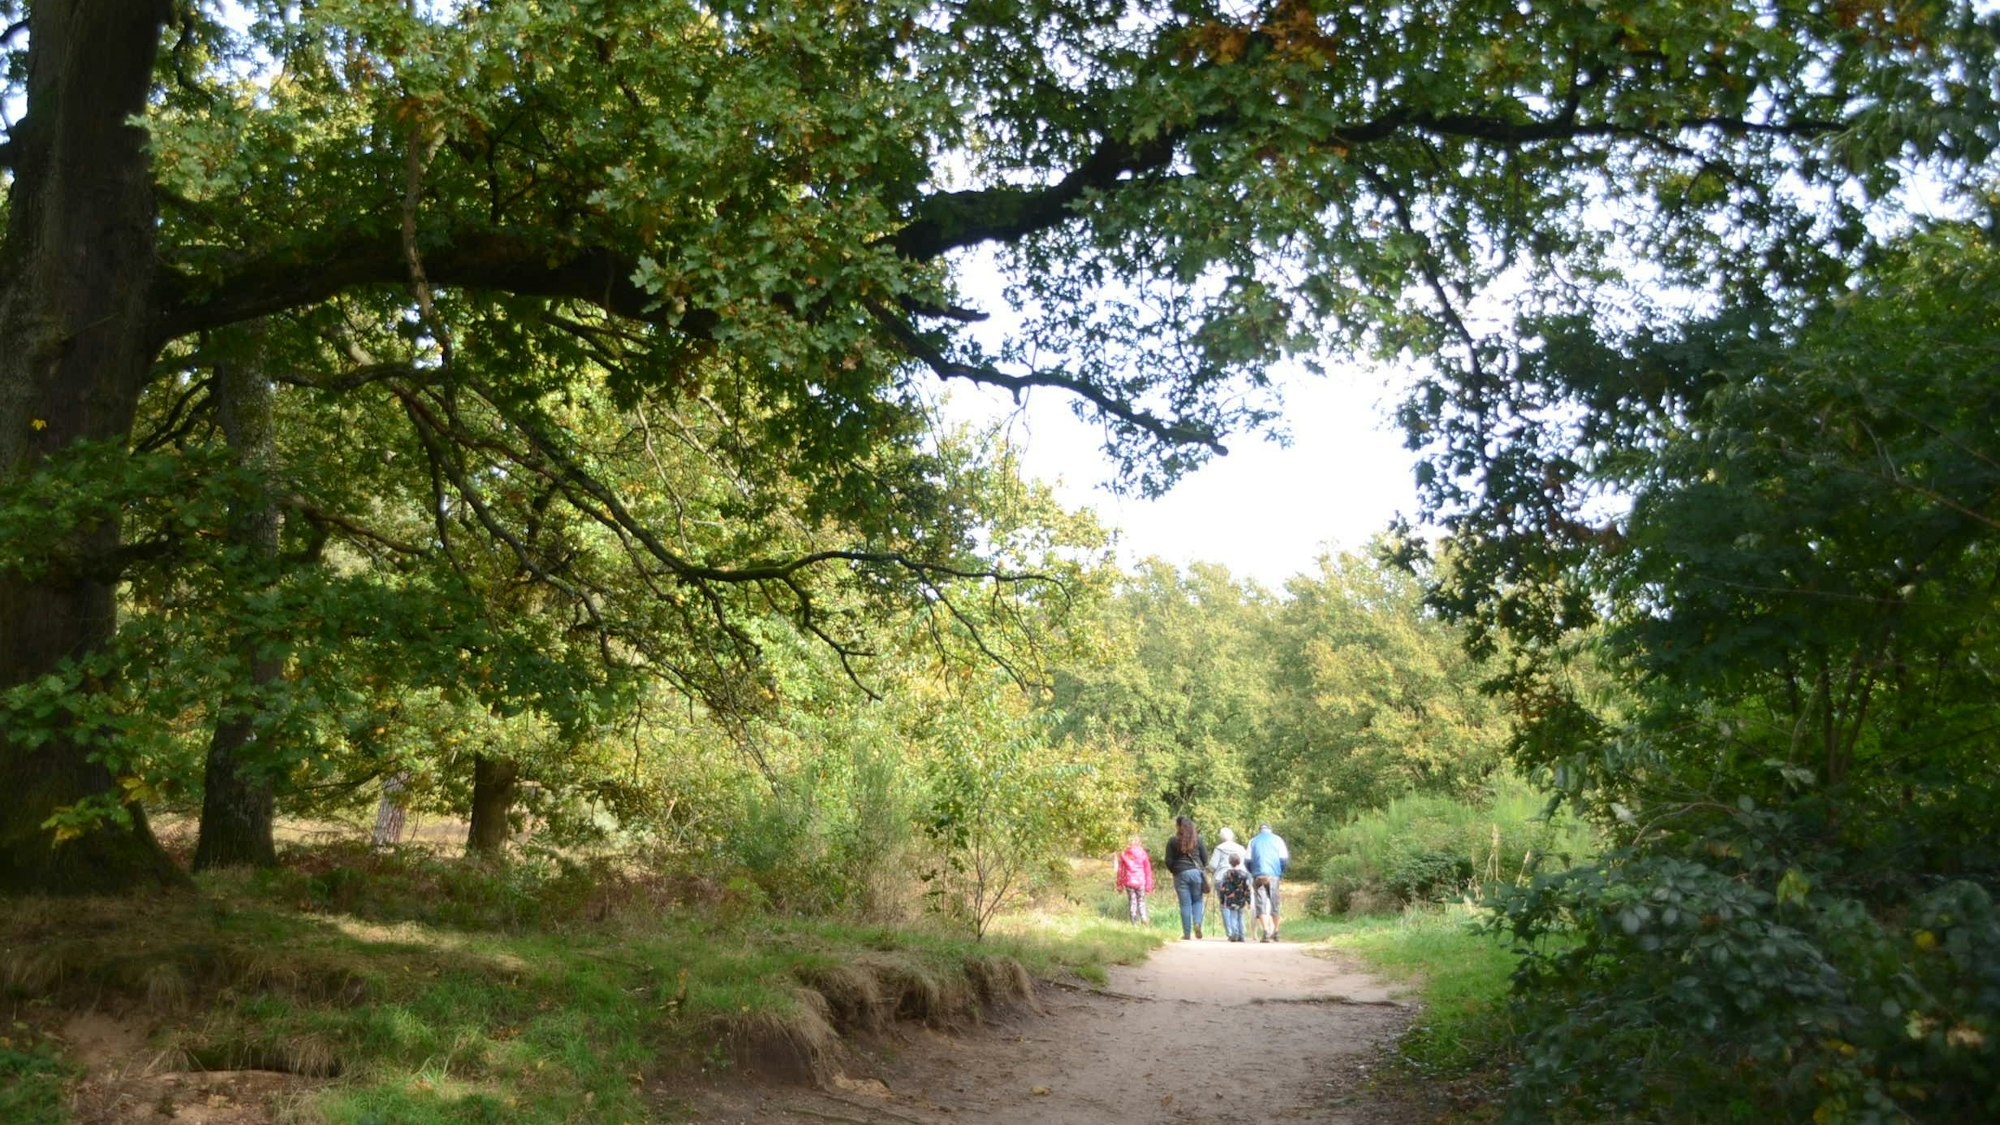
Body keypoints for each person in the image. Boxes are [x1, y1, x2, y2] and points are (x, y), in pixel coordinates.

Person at [1163, 815, 1209, 940]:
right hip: (1196, 873)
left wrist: (1175, 870)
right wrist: (1200, 868)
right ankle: (1197, 923)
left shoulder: (1172, 840)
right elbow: (1205, 859)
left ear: (1178, 826)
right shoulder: (1198, 840)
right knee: (1198, 900)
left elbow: (1168, 860)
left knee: (1185, 904)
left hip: (1180, 874)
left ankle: (1187, 933)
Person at [1247, 822, 1290, 941]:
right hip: (1273, 875)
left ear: (1260, 830)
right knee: (1275, 902)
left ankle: (1265, 932)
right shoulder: (1278, 840)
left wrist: (1253, 872)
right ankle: (1276, 931)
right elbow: (1284, 859)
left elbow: (1247, 860)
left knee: (1260, 903)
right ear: (1270, 830)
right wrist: (1280, 872)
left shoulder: (1253, 841)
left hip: (1258, 875)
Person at [1114, 835, 1155, 925]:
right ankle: (1144, 918)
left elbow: (1121, 870)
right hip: (1141, 881)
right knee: (1141, 901)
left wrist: (1119, 884)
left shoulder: (1125, 854)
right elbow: (1147, 870)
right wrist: (1149, 885)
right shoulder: (1143, 853)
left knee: (1132, 901)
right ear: (1139, 842)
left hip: (1129, 881)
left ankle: (1134, 922)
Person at [1216, 853, 1252, 942]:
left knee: (1233, 916)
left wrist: (1222, 901)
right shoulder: (1245, 875)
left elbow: (1222, 889)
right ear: (1239, 862)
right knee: (1241, 916)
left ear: (1229, 862)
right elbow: (1247, 889)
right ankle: (1242, 935)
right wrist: (1249, 901)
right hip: (1241, 899)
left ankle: (1234, 933)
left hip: (1230, 899)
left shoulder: (1226, 874)